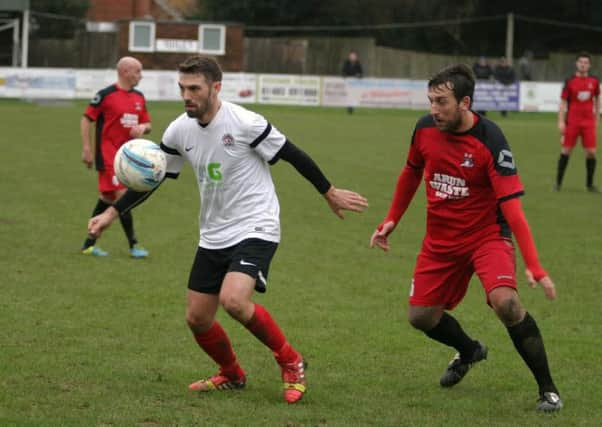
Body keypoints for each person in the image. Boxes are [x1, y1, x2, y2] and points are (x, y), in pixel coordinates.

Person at [87, 55, 368, 404]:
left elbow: (293, 154)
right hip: (214, 231)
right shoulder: (179, 130)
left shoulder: (245, 122)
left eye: (194, 88)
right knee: (197, 318)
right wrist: (111, 214)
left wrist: (329, 192)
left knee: (234, 300)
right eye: (182, 88)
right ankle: (232, 374)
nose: (186, 95)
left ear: (215, 87)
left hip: (256, 223)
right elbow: (154, 179)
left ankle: (291, 361)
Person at [370, 64, 563, 412]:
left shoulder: (491, 140)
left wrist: (533, 265)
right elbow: (411, 172)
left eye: (441, 102)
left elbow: (513, 209)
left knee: (507, 303)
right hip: (440, 242)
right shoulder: (424, 129)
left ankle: (547, 389)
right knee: (420, 318)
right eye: (430, 100)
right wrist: (391, 220)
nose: (433, 109)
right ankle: (471, 350)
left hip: (486, 236)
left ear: (465, 103)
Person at [80, 56, 152, 257]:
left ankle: (88, 243)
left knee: (107, 198)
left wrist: (142, 127)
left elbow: (148, 124)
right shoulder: (105, 95)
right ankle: (134, 245)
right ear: (125, 71)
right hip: (108, 156)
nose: (141, 75)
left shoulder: (139, 97)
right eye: (138, 71)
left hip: (128, 157)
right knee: (123, 197)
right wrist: (87, 148)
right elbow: (86, 119)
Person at [555, 51, 600, 192]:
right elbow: (563, 102)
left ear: (589, 65)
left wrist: (597, 117)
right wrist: (561, 121)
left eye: (586, 62)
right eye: (581, 62)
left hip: (588, 122)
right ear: (576, 64)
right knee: (566, 150)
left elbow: (597, 99)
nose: (583, 65)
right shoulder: (569, 81)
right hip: (573, 122)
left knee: (591, 152)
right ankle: (558, 183)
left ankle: (589, 185)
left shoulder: (594, 81)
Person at [341, 50, 363, 114]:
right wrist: (344, 74)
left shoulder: (358, 63)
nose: (353, 57)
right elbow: (343, 71)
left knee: (353, 96)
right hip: (347, 83)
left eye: (354, 56)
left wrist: (359, 75)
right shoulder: (346, 63)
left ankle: (351, 109)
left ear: (356, 57)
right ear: (349, 57)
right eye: (351, 56)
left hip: (355, 84)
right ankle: (349, 109)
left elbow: (361, 72)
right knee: (348, 96)